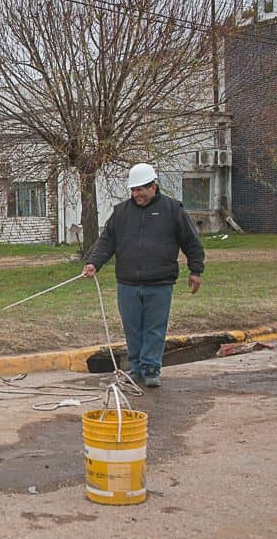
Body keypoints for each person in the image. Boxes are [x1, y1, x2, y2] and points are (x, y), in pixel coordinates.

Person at [81, 163, 205, 388]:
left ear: (153, 186)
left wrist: (195, 271)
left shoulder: (172, 209)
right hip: (127, 282)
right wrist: (93, 263)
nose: (136, 194)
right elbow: (106, 241)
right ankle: (136, 369)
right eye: (133, 190)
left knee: (154, 327)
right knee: (132, 328)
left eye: (140, 189)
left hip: (160, 282)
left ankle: (151, 369)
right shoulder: (121, 213)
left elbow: (192, 243)